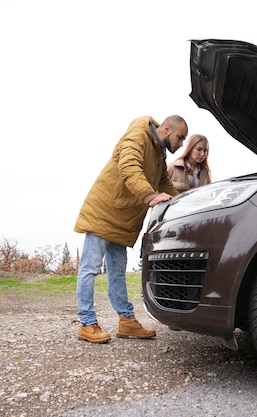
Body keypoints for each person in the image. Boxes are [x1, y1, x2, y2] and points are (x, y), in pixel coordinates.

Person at [73, 115, 187, 343]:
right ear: (166, 128)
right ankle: (86, 323)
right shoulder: (138, 135)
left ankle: (126, 321)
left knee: (117, 271)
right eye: (180, 137)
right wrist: (149, 196)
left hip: (122, 218)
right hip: (104, 211)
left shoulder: (158, 151)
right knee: (90, 268)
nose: (182, 143)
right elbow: (128, 166)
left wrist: (186, 204)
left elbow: (163, 182)